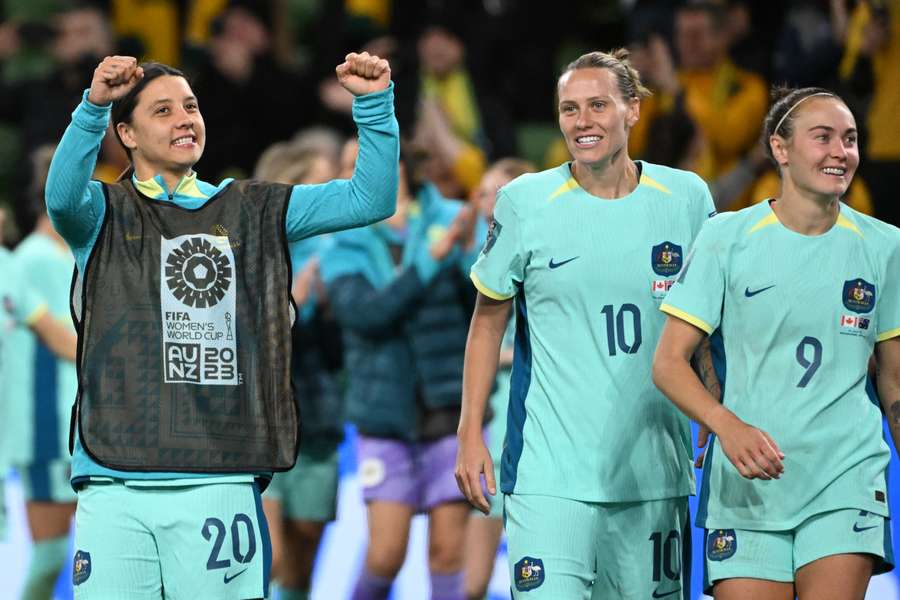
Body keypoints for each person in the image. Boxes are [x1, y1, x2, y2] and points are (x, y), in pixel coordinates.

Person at [44, 50, 398, 599]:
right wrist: (91, 108)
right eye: (162, 111)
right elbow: (60, 197)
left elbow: (369, 198)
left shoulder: (253, 210)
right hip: (113, 480)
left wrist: (375, 107)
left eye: (191, 106)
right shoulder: (100, 214)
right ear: (127, 135)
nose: (185, 119)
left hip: (218, 479)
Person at [455, 49, 717, 599]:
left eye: (598, 105)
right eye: (569, 109)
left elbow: (707, 327)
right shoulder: (525, 201)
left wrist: (715, 409)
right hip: (548, 473)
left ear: (633, 111)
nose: (582, 121)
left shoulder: (688, 199)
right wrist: (469, 431)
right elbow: (486, 325)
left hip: (654, 471)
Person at [652, 86, 900, 600]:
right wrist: (726, 426)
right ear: (780, 149)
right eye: (823, 137)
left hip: (845, 475)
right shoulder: (726, 237)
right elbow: (668, 362)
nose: (841, 151)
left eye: (850, 139)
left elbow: (894, 379)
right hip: (747, 482)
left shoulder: (886, 246)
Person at [319, 141, 482, 600]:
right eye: (349, 165)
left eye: (368, 161)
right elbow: (366, 315)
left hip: (450, 409)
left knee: (449, 554)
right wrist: (431, 260)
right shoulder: (342, 240)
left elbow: (487, 304)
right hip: (383, 415)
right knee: (385, 555)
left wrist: (468, 254)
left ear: (400, 165)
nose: (360, 172)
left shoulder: (454, 220)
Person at [253, 141, 344, 600]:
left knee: (304, 550)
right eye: (319, 184)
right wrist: (293, 308)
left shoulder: (337, 254)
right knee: (274, 558)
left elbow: (339, 355)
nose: (330, 196)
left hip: (318, 417)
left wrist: (330, 310)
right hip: (263, 425)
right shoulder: (256, 249)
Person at [3, 145, 79, 600]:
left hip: (85, 420)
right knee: (51, 556)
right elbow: (65, 342)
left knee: (95, 558)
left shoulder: (72, 253)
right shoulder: (29, 260)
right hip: (47, 427)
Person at [460, 158, 535, 600]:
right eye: (486, 192)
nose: (491, 202)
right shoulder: (466, 252)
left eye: (501, 192)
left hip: (526, 399)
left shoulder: (538, 244)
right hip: (490, 403)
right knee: (487, 510)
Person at [0, 246, 76, 552]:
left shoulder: (6, 264)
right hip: (44, 434)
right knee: (50, 557)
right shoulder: (31, 259)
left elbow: (57, 336)